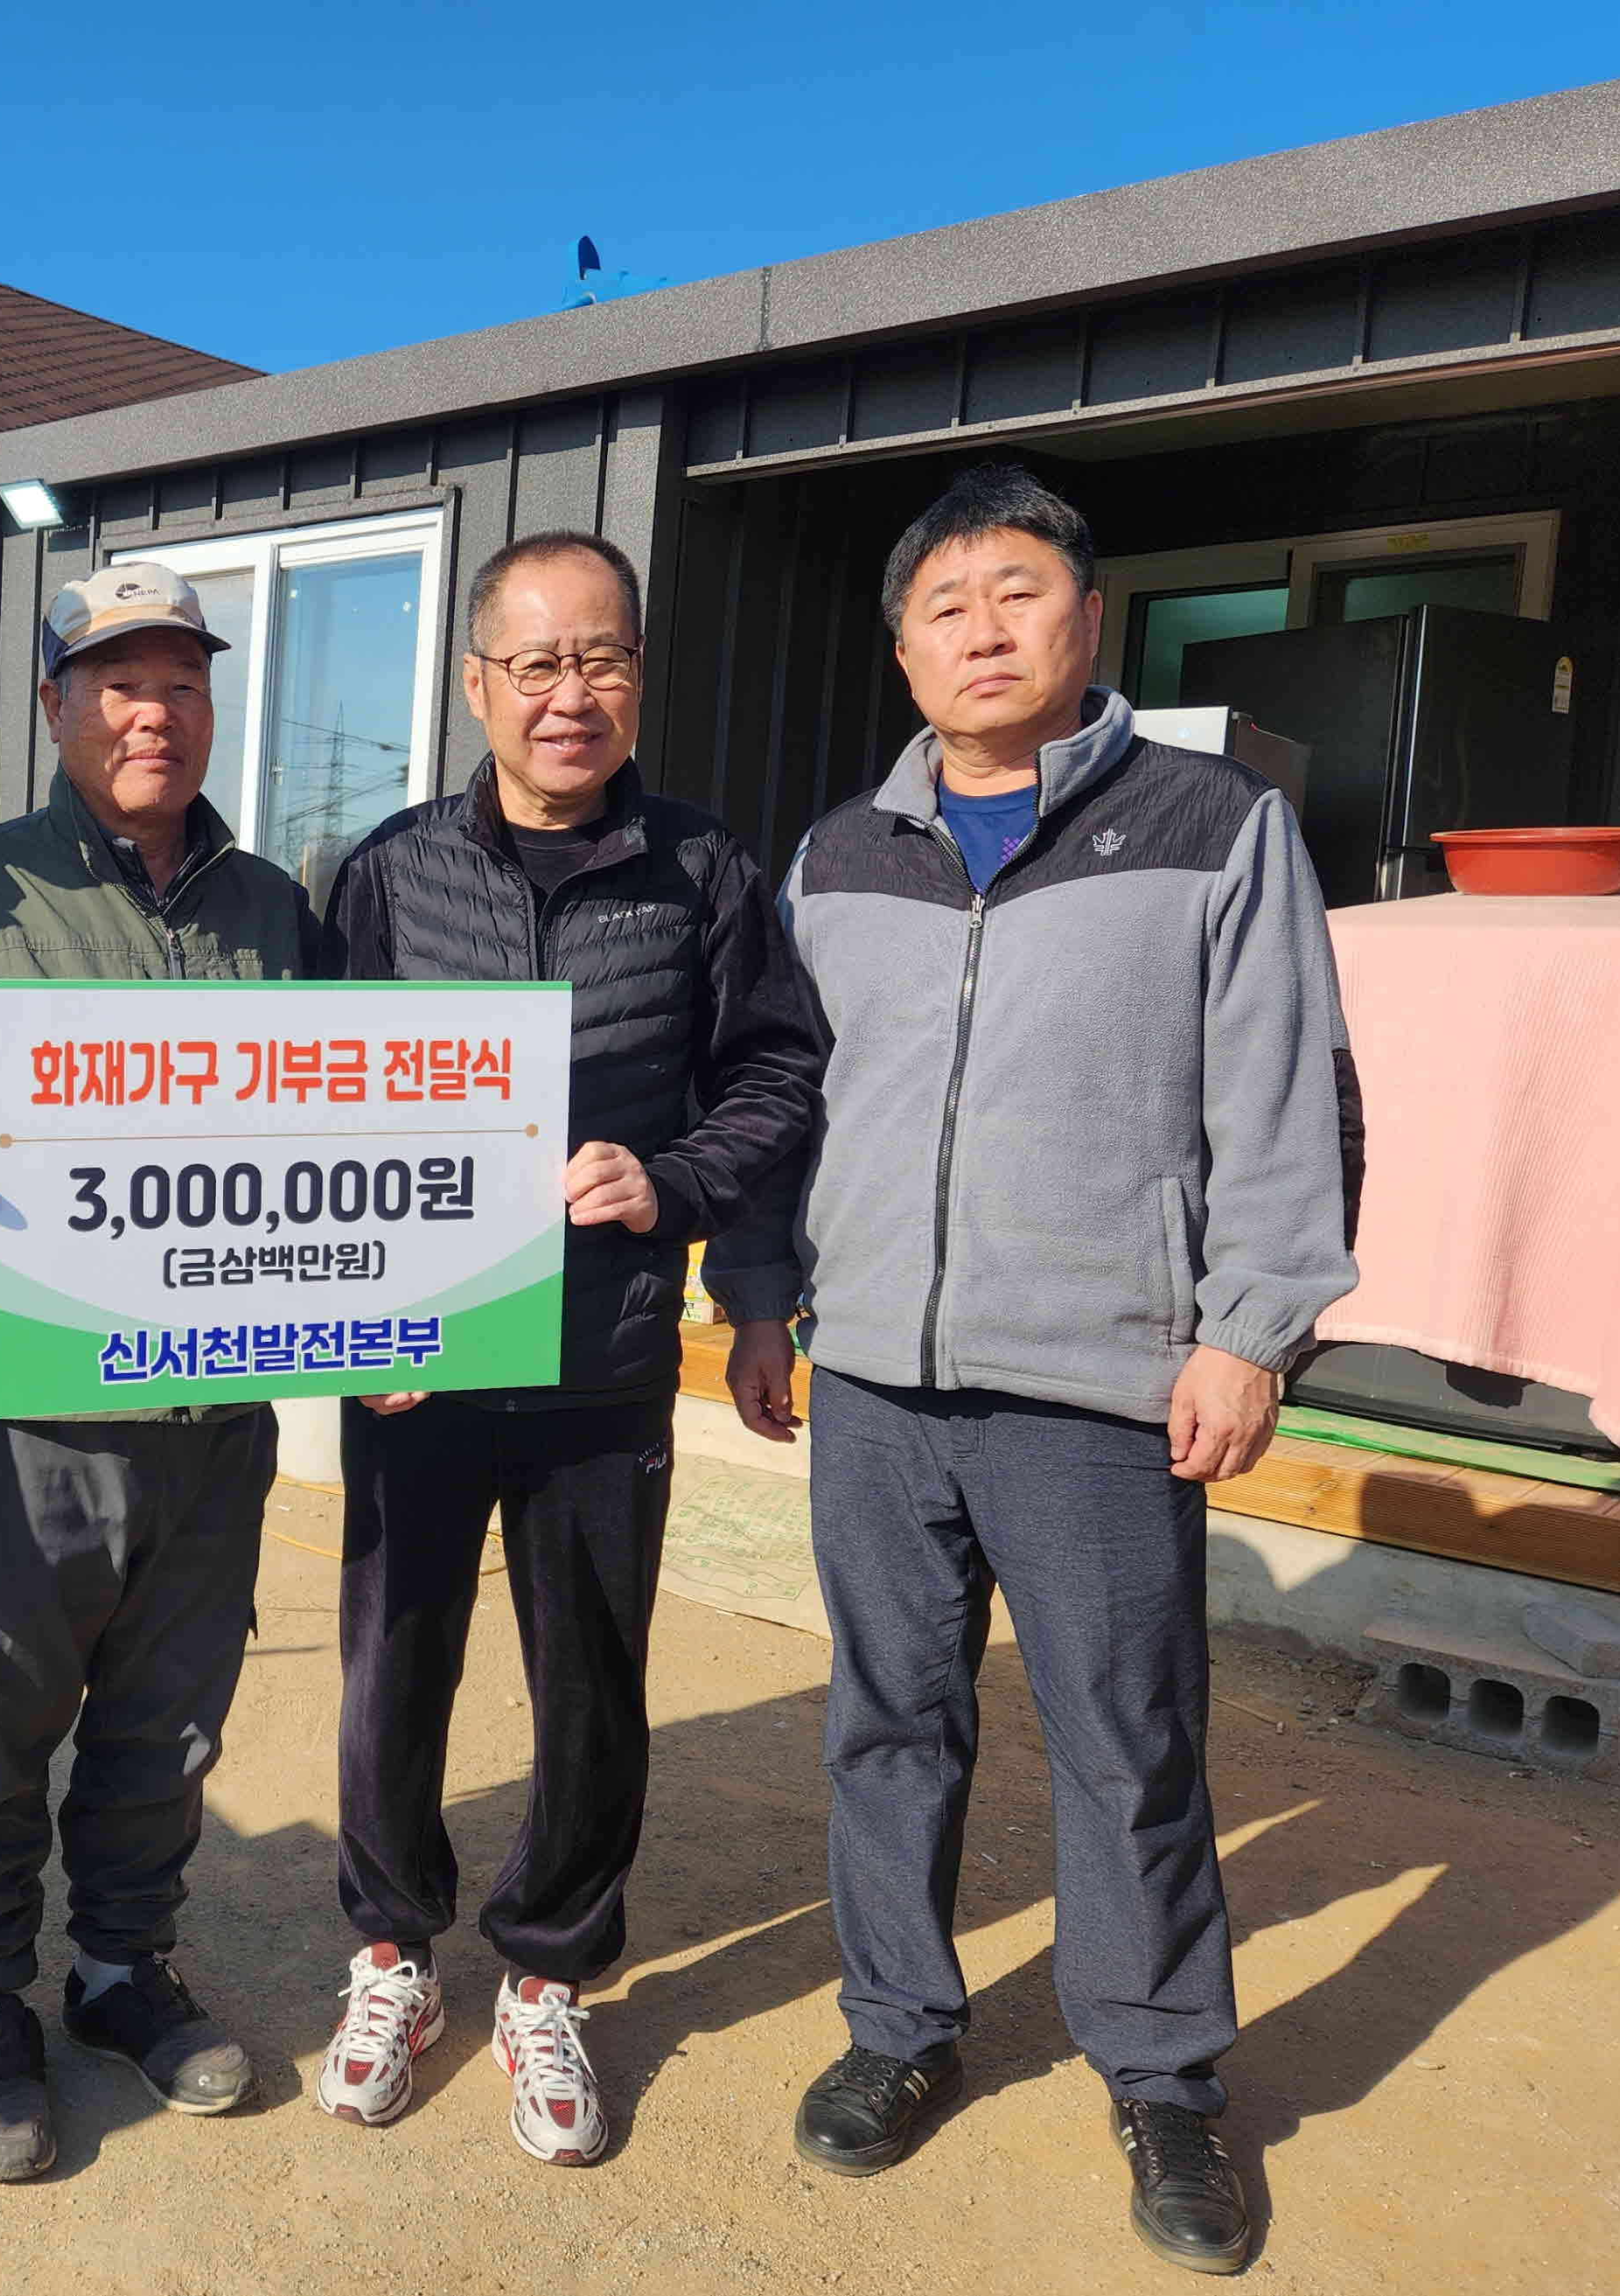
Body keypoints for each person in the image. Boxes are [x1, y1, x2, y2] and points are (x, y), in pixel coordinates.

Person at [705, 463, 1359, 2275]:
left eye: (1017, 592)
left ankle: (1162, 2075)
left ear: (1087, 619)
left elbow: (1284, 1094)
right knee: (885, 1720)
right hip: (878, 1381)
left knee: (1126, 1744)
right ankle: (899, 2028)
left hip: (1100, 1382)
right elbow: (777, 1097)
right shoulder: (839, 852)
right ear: (901, 645)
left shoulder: (1211, 823)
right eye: (943, 604)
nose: (981, 629)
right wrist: (757, 1287)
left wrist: (1250, 1328)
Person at [0, 565, 328, 2182]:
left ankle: (119, 1970)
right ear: (56, 707)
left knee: (171, 1717)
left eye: (180, 679)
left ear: (212, 705)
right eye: (115, 681)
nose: (152, 710)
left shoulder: (274, 911)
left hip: (216, 1416)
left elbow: (333, 1143)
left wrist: (399, 1316)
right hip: (32, 1414)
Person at [311, 530, 822, 2167]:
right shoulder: (388, 872)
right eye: (534, 663)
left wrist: (671, 1186)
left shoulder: (702, 871)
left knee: (590, 1679)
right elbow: (314, 1098)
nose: (568, 694)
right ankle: (394, 1950)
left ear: (636, 678)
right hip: (417, 1354)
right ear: (476, 685)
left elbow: (777, 1077)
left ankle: (548, 1970)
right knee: (393, 1666)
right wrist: (341, 1313)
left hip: (600, 1360)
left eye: (600, 658)